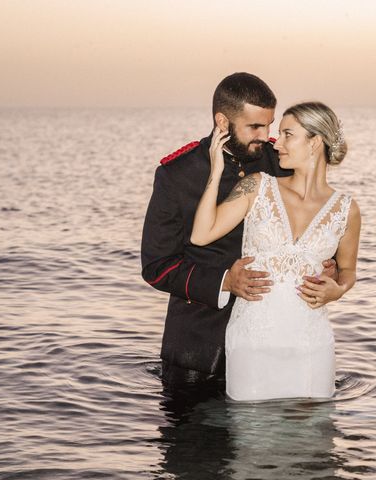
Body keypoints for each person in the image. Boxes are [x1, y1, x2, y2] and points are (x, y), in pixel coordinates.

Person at [141, 73, 336, 388]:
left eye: (270, 125)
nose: (266, 135)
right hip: (199, 353)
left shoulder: (279, 162)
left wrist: (328, 265)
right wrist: (224, 281)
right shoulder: (177, 175)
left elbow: (318, 219)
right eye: (255, 127)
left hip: (273, 345)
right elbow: (156, 266)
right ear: (222, 121)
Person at [191, 101, 361, 401]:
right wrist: (215, 172)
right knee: (253, 440)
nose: (276, 143)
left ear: (314, 142)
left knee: (311, 443)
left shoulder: (346, 210)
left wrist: (338, 290)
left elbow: (347, 271)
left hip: (311, 345)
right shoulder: (257, 187)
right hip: (253, 342)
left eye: (287, 135)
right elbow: (201, 235)